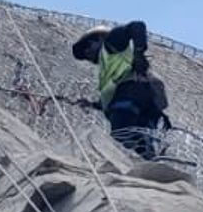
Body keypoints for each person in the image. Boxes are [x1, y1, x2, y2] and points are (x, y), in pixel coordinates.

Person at [72, 21, 169, 159]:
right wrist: (94, 104)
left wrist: (139, 53)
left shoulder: (112, 42)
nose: (86, 52)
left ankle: (140, 161)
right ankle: (150, 163)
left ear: (100, 38)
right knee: (140, 137)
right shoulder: (107, 65)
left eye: (87, 45)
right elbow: (112, 93)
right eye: (84, 52)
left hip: (131, 94)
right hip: (144, 102)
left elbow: (137, 26)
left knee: (122, 133)